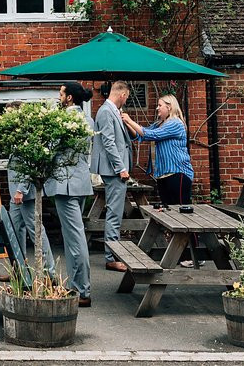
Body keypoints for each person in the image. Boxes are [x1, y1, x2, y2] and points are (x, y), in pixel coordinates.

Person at [121, 94, 196, 267]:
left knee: (182, 214)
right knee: (169, 215)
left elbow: (149, 134)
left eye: (160, 105)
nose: (157, 108)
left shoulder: (175, 124)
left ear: (169, 107)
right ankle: (177, 253)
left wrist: (130, 119)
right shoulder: (160, 123)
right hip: (163, 175)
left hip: (178, 174)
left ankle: (190, 255)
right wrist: (126, 122)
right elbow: (139, 136)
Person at [0, 101, 57, 284]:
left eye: (8, 114)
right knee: (14, 231)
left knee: (36, 231)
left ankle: (49, 273)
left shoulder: (27, 137)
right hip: (16, 194)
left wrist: (21, 190)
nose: (5, 118)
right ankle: (18, 270)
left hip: (25, 194)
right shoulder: (15, 136)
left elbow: (29, 166)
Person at [47, 82, 94, 307]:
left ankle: (82, 290)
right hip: (80, 181)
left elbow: (50, 148)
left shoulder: (65, 120)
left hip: (65, 184)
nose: (59, 96)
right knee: (74, 236)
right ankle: (76, 285)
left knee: (74, 238)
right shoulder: (87, 119)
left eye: (61, 93)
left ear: (70, 99)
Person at [92, 80, 132, 272]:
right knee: (114, 215)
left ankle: (112, 255)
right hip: (114, 170)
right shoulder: (106, 111)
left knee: (114, 213)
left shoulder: (112, 111)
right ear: (122, 95)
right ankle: (111, 257)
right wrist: (120, 168)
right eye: (126, 98)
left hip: (114, 169)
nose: (125, 100)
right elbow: (109, 143)